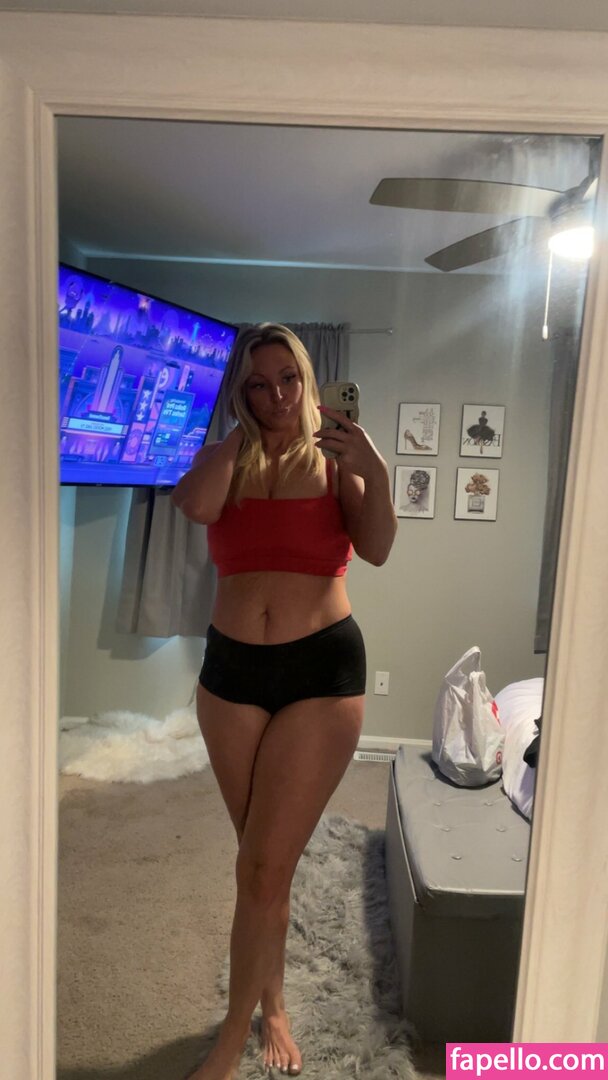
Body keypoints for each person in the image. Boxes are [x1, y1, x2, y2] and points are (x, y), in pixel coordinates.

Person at [172, 322, 397, 1080]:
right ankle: (273, 1004)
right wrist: (243, 437)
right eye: (258, 383)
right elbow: (194, 507)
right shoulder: (222, 460)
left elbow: (377, 548)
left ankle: (233, 1036)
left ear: (307, 378)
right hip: (231, 675)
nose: (276, 395)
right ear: (240, 391)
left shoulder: (336, 463)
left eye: (288, 379)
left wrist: (375, 470)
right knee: (259, 865)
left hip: (319, 674)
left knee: (265, 864)